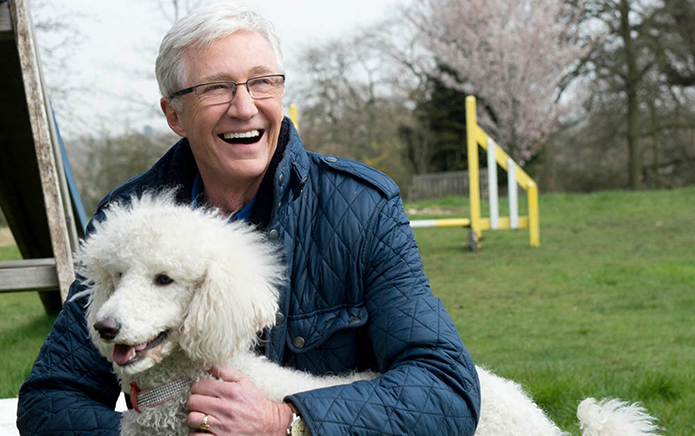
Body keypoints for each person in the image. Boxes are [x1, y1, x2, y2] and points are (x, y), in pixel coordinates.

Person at [17, 4, 480, 435]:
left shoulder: (363, 207)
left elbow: (445, 386)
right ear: (174, 114)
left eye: (262, 82)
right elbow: (49, 399)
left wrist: (287, 421)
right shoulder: (127, 223)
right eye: (216, 87)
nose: (244, 106)